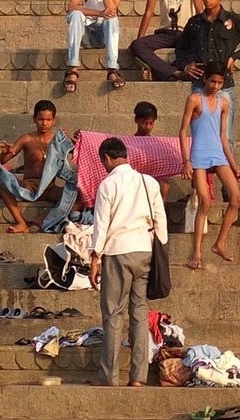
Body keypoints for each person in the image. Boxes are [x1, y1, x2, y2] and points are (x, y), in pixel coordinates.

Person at [88, 138, 168, 387]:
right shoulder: (149, 182)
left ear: (106, 159)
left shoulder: (108, 185)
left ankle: (109, 376)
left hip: (117, 252)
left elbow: (101, 225)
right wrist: (160, 252)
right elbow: (160, 221)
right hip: (144, 250)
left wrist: (94, 257)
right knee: (139, 313)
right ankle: (138, 377)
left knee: (113, 314)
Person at [175, 0, 240, 199]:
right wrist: (185, 66)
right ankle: (198, 184)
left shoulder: (232, 21)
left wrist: (237, 56)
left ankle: (227, 185)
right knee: (198, 135)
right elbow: (180, 48)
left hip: (224, 86)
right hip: (200, 83)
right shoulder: (194, 23)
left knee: (226, 135)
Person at [178, 61, 240, 270]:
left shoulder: (224, 103)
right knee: (205, 202)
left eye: (220, 82)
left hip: (218, 153)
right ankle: (196, 251)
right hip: (198, 154)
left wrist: (234, 164)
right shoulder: (195, 99)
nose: (215, 86)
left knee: (236, 198)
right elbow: (183, 131)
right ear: (205, 78)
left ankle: (220, 243)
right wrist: (186, 161)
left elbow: (223, 136)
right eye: (212, 81)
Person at [0, 100, 69, 233]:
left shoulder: (59, 139)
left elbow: (74, 157)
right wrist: (5, 153)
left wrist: (71, 141)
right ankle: (21, 223)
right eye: (41, 119)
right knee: (2, 182)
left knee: (80, 196)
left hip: (50, 188)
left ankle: (42, 218)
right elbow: (1, 162)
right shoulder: (26, 139)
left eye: (48, 119)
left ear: (54, 120)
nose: (44, 123)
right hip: (30, 186)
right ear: (34, 119)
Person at [129, 0, 204, 81]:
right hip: (166, 34)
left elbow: (200, 12)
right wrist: (139, 40)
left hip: (186, 33)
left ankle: (159, 73)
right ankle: (174, 72)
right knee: (137, 45)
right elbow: (148, 12)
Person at [64, 0, 125, 93]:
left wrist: (103, 13)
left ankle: (112, 69)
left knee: (112, 17)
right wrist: (98, 13)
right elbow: (71, 7)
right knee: (76, 14)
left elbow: (111, 8)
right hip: (85, 35)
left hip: (103, 36)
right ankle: (73, 69)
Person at [133, 101, 171, 201]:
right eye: (144, 123)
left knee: (165, 186)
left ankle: (159, 216)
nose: (148, 127)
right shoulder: (131, 143)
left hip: (153, 178)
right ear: (136, 120)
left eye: (151, 123)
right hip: (136, 179)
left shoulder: (155, 144)